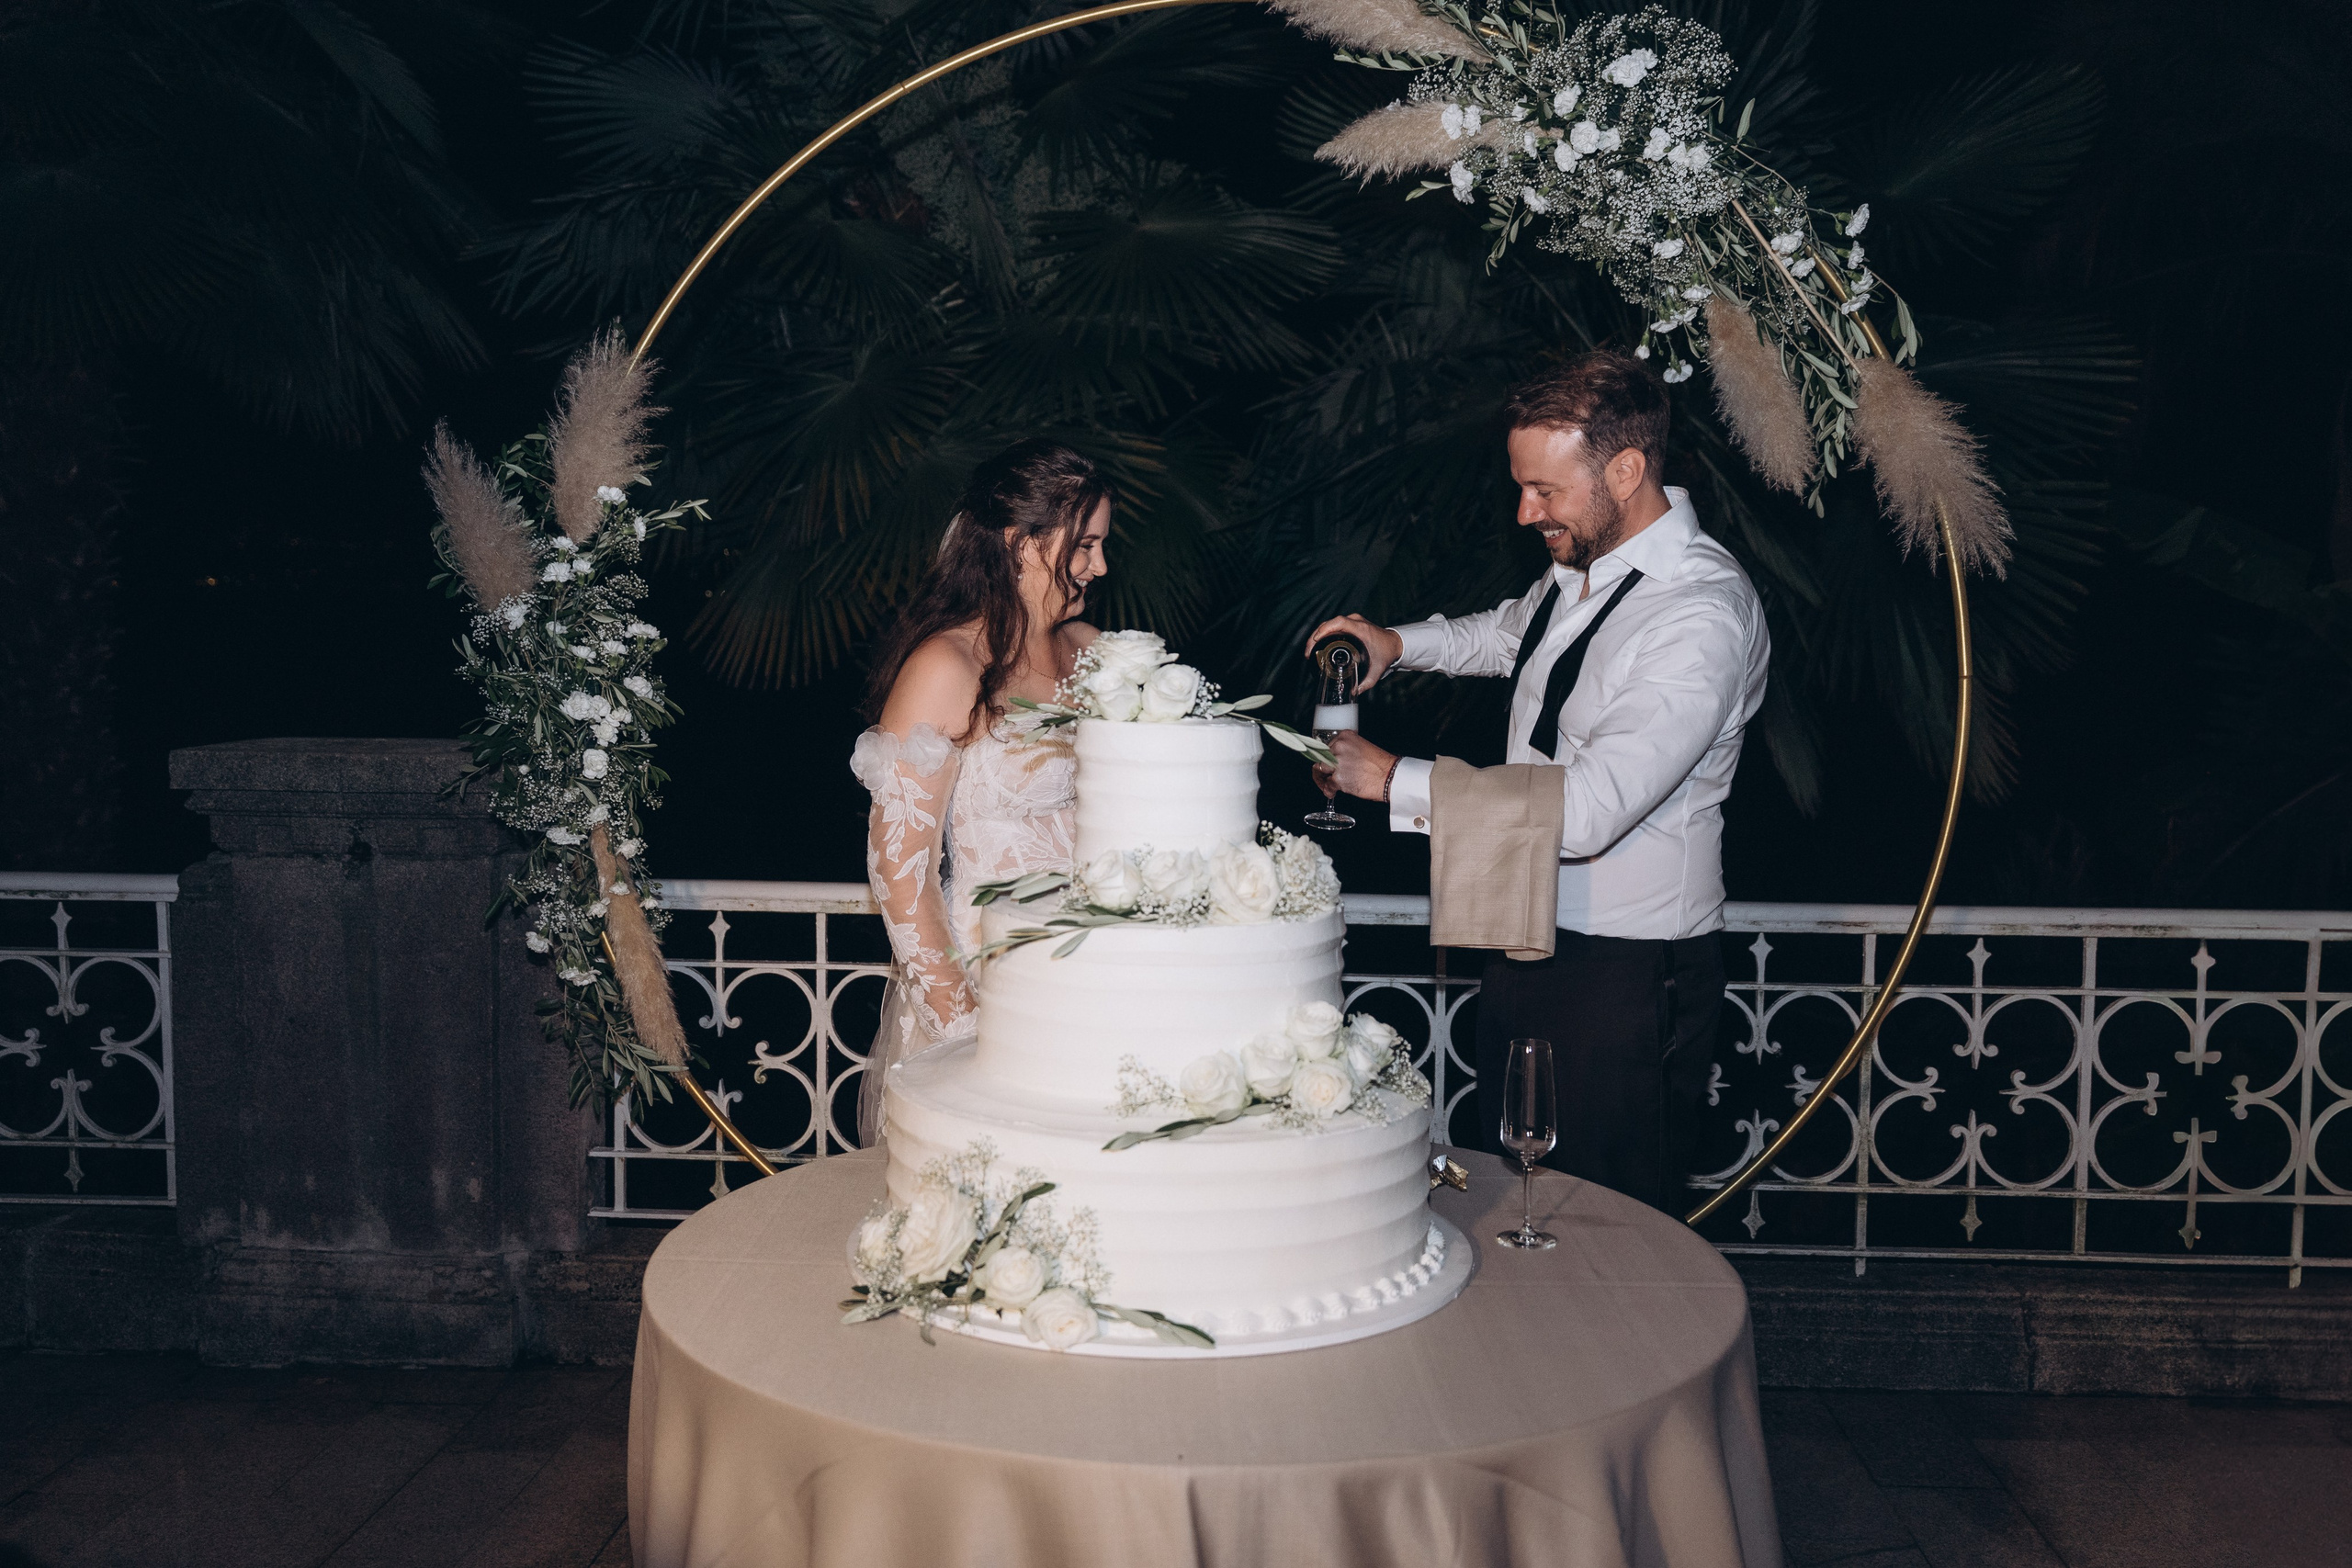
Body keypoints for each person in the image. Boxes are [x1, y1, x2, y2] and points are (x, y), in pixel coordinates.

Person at [1307, 351, 1770, 1214]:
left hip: (1629, 976)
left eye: (1545, 490)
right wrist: (1395, 642)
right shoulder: (1583, 572)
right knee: (1516, 1201)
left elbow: (1590, 811)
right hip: (1530, 934)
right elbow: (1508, 634)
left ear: (1626, 470)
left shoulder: (1700, 613)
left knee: (1607, 1226)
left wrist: (1390, 781)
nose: (1525, 511)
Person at [850, 441, 1112, 1145]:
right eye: (1083, 545)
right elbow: (898, 875)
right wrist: (966, 1033)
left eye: (1101, 545)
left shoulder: (1094, 653)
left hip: (1096, 981)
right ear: (1020, 544)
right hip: (985, 983)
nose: (1099, 566)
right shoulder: (947, 664)